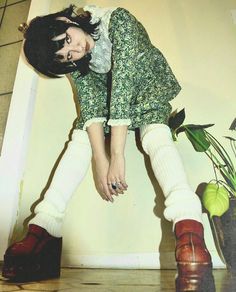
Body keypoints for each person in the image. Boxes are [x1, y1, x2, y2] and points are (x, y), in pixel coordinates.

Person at [2, 4, 213, 290]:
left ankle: (190, 232)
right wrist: (100, 161)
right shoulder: (77, 61)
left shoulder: (117, 20)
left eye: (67, 40)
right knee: (80, 139)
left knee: (156, 135)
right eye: (66, 56)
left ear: (64, 19)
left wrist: (116, 155)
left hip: (145, 86)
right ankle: (44, 226)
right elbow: (90, 104)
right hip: (111, 99)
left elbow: (123, 85)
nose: (75, 50)